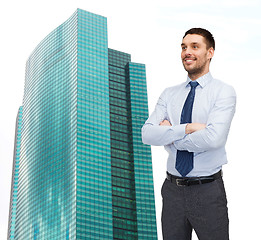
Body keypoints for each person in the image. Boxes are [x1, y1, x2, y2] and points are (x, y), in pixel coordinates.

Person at [142, 28, 236, 240]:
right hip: (172, 191)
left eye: (195, 46)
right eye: (184, 47)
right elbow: (147, 134)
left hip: (208, 191)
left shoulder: (223, 91)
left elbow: (214, 138)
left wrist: (169, 137)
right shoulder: (169, 94)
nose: (187, 52)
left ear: (210, 52)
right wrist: (188, 128)